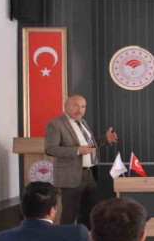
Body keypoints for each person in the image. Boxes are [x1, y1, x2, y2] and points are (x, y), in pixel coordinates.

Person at [44, 94, 117, 229]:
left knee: (89, 214)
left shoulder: (83, 122)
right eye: (76, 106)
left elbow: (89, 146)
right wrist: (77, 150)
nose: (80, 110)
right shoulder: (55, 124)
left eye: (83, 107)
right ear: (66, 105)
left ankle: (86, 240)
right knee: (69, 215)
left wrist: (105, 139)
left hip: (90, 174)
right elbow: (50, 149)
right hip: (71, 176)